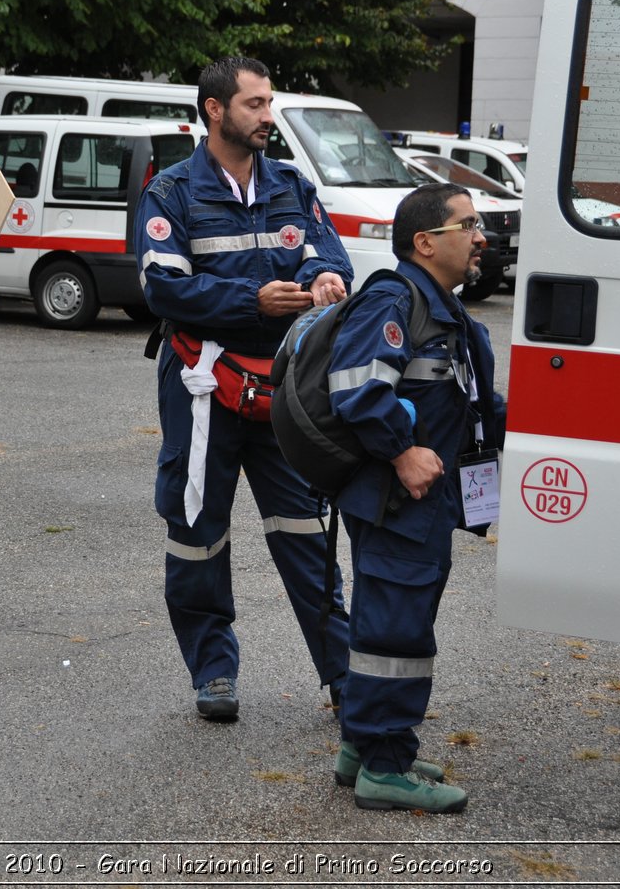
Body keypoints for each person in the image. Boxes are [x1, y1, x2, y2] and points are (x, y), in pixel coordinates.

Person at [134, 56, 353, 721]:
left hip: (284, 385)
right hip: (202, 388)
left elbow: (329, 252)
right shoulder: (171, 192)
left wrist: (323, 281)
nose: (267, 116)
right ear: (215, 110)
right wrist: (252, 300)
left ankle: (345, 676)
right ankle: (214, 671)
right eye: (255, 104)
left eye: (268, 103)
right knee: (197, 527)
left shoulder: (290, 183)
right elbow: (162, 285)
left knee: (305, 529)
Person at [323, 182, 505, 813]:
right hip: (396, 499)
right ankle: (384, 767)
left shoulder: (444, 308)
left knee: (392, 622)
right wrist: (402, 450)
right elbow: (356, 388)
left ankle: (363, 746)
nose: (480, 237)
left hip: (425, 502)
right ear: (426, 242)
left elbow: (475, 402)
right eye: (468, 225)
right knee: (395, 633)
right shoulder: (394, 298)